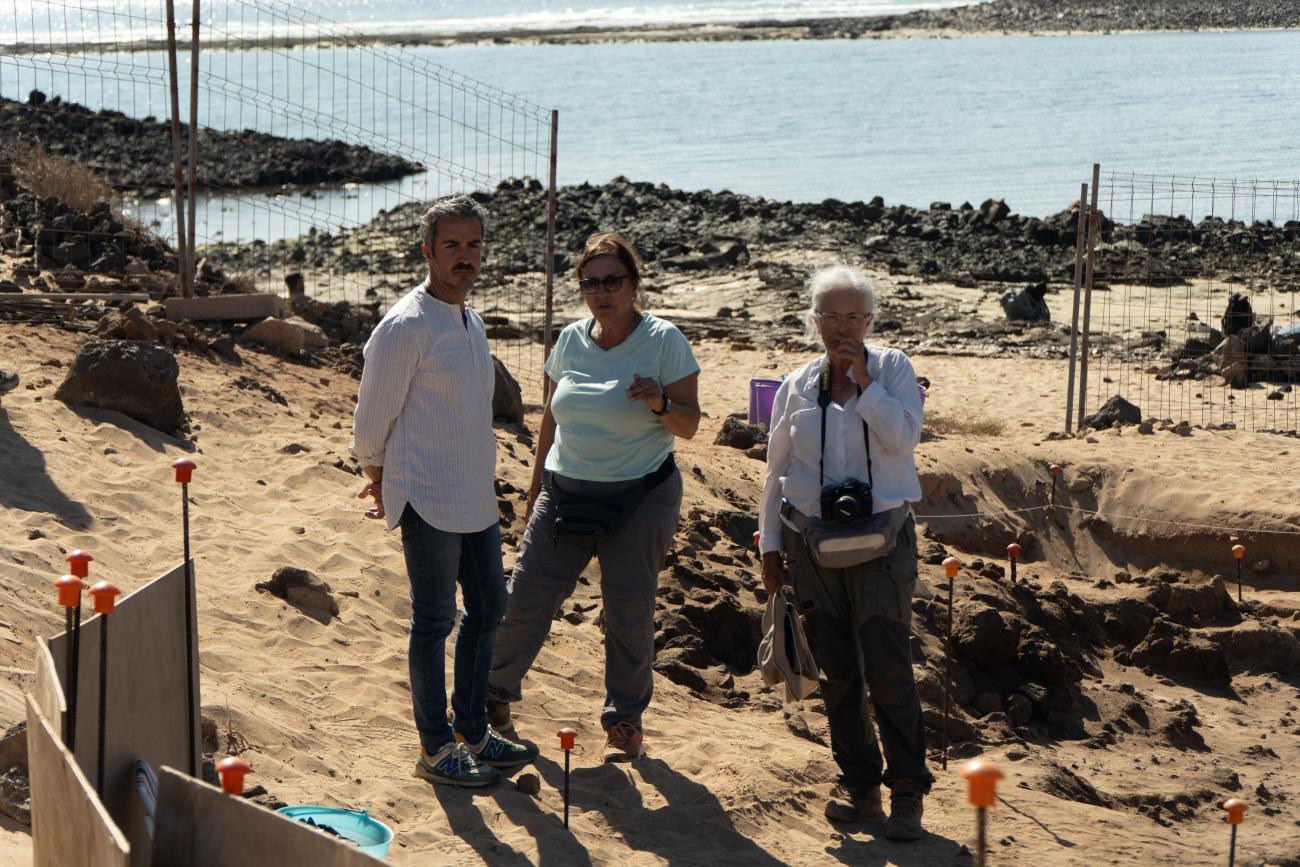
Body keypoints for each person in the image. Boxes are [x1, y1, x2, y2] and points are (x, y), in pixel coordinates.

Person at [486, 232, 701, 762]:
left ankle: (624, 723)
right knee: (524, 598)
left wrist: (659, 401)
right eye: (591, 282)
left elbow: (691, 424)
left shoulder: (663, 339)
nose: (602, 292)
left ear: (633, 284)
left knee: (628, 610)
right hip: (566, 490)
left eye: (613, 281)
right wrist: (536, 486)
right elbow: (551, 419)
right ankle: (492, 700)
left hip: (640, 493)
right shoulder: (570, 341)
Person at [351, 195, 537, 787]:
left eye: (473, 245)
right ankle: (435, 746)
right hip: (427, 496)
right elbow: (371, 416)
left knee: (488, 611)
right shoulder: (406, 325)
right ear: (427, 251)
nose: (464, 257)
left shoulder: (469, 319)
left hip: (474, 496)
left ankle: (474, 730)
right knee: (434, 621)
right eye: (451, 246)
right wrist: (377, 475)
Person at [758, 265, 932, 839]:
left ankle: (906, 788)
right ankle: (861, 788)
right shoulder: (795, 385)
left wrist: (864, 387)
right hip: (812, 544)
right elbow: (776, 470)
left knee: (888, 667)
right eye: (831, 316)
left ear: (870, 320)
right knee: (838, 674)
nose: (841, 327)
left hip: (882, 541)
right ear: (814, 321)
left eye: (853, 316)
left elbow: (903, 440)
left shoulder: (894, 370)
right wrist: (771, 545)